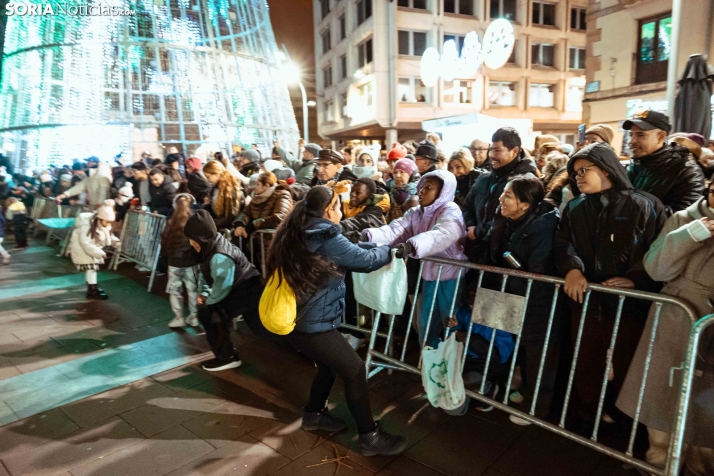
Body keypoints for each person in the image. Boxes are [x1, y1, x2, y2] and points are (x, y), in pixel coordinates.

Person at [266, 185, 407, 456]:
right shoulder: (325, 233)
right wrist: (392, 252)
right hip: (311, 322)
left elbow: (348, 250)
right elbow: (362, 259)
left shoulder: (298, 227)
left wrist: (377, 246)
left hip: (297, 317)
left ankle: (314, 415)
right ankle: (370, 436)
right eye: (338, 206)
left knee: (329, 366)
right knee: (354, 369)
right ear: (329, 209)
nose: (341, 211)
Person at [554, 142, 664, 430]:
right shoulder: (575, 208)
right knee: (587, 362)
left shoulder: (645, 204)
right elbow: (563, 244)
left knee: (629, 366)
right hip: (587, 301)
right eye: (574, 172)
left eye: (584, 170)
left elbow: (657, 250)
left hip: (630, 305)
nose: (577, 177)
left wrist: (637, 279)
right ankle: (588, 419)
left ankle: (630, 428)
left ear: (607, 168)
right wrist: (572, 269)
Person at [617, 181, 714, 475]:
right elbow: (656, 268)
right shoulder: (684, 219)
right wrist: (690, 235)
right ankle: (656, 467)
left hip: (709, 333)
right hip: (677, 319)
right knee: (662, 415)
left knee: (706, 432)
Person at [482, 175, 562, 425]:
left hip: (536, 300)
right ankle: (517, 389)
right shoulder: (505, 220)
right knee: (513, 346)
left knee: (537, 353)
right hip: (508, 294)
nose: (500, 199)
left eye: (507, 196)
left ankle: (537, 409)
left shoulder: (544, 227)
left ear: (525, 205)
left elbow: (538, 270)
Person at [364, 170, 467, 349]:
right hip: (429, 276)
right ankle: (429, 361)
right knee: (426, 322)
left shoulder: (451, 210)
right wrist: (369, 236)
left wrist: (412, 245)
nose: (421, 191)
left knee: (451, 320)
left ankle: (452, 363)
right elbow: (395, 229)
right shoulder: (415, 213)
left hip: (451, 276)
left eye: (429, 188)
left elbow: (444, 233)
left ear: (443, 192)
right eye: (422, 187)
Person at [184, 209, 264, 371]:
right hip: (244, 288)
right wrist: (204, 292)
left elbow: (222, 288)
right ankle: (300, 345)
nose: (191, 243)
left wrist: (208, 300)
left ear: (201, 237)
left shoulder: (219, 255)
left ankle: (226, 357)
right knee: (261, 328)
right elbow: (206, 274)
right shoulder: (211, 244)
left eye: (192, 239)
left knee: (212, 315)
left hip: (247, 290)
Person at [462, 127, 537, 260]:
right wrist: (471, 226)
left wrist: (478, 233)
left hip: (501, 256)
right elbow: (467, 206)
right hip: (475, 252)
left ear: (514, 151)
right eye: (491, 149)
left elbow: (513, 219)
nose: (491, 155)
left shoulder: (526, 182)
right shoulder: (483, 179)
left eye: (497, 150)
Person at [624, 110, 705, 215]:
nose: (631, 141)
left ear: (661, 136)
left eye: (640, 135)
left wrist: (628, 210)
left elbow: (683, 217)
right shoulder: (632, 165)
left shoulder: (686, 171)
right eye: (631, 135)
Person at [161, 194, 200, 329]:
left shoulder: (171, 222)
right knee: (193, 290)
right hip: (191, 262)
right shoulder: (195, 221)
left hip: (174, 262)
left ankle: (179, 317)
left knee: (175, 291)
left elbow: (164, 242)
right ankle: (194, 317)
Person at [69, 200, 120, 300]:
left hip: (89, 250)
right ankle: (92, 291)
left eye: (110, 222)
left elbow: (108, 234)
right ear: (100, 218)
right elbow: (86, 243)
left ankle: (92, 289)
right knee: (92, 269)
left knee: (92, 269)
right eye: (107, 222)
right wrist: (100, 253)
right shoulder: (87, 226)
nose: (108, 224)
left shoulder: (101, 223)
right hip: (83, 250)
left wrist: (115, 241)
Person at [233, 172, 293, 255]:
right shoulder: (257, 198)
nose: (255, 188)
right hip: (258, 245)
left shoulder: (282, 195)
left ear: (266, 186)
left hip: (274, 245)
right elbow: (246, 212)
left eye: (258, 184)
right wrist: (240, 224)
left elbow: (280, 217)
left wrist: (254, 225)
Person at [202, 160, 243, 230]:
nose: (207, 180)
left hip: (230, 231)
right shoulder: (215, 189)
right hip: (221, 228)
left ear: (217, 174)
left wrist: (210, 225)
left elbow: (230, 216)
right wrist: (206, 206)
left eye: (208, 177)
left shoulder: (232, 189)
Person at [388, 158, 420, 222]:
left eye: (402, 172)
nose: (397, 175)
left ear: (412, 175)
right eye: (395, 172)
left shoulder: (420, 193)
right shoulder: (390, 193)